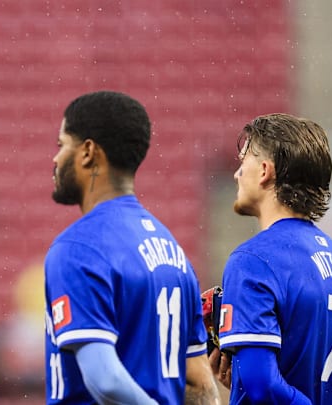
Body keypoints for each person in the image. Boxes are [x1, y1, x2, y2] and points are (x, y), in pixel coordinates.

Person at [44, 91, 220, 404]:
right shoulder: (173, 252)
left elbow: (104, 379)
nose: (55, 159)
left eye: (62, 145)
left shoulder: (78, 248)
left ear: (88, 152)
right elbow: (200, 387)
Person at [210, 113, 332, 404]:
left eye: (243, 160)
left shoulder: (253, 260)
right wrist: (241, 379)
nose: (236, 173)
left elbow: (262, 386)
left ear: (264, 171)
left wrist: (253, 381)